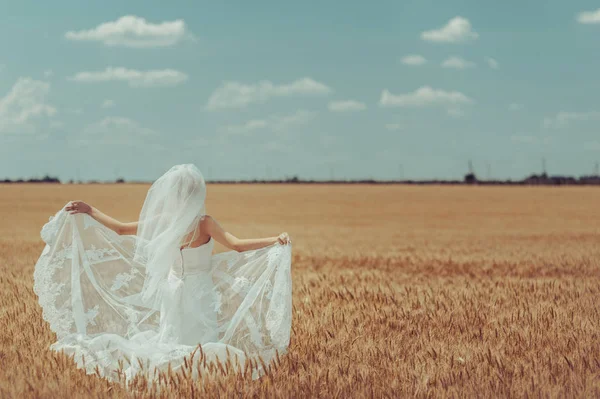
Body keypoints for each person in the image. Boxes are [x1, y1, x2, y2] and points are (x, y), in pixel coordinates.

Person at [33, 164, 293, 386]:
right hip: (198, 290)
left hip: (172, 289)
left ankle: (172, 378)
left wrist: (91, 210)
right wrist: (275, 239)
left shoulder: (167, 220)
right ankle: (200, 381)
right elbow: (236, 245)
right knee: (200, 339)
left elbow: (122, 230)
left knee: (173, 336)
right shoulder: (205, 222)